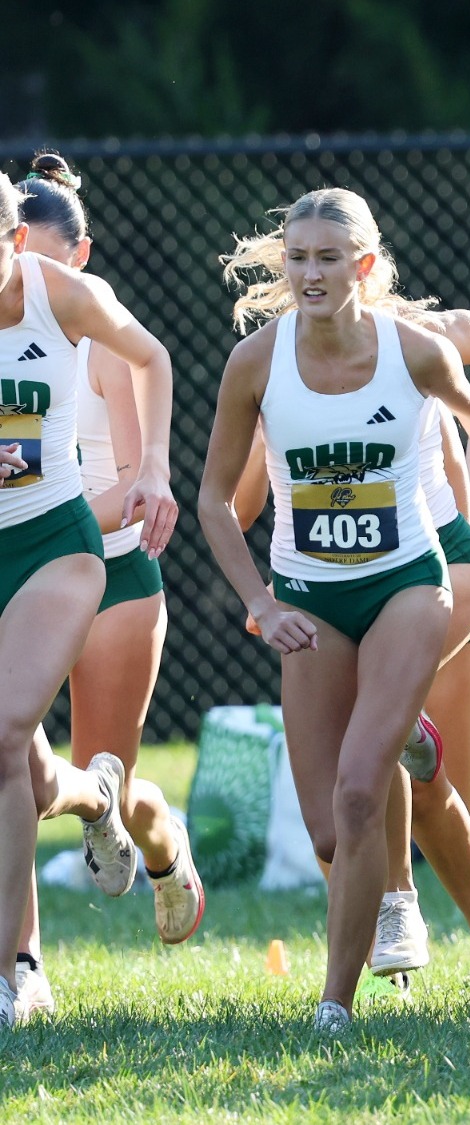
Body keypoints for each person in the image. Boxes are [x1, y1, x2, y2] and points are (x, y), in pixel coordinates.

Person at [199, 188, 470, 1035]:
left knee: (359, 793)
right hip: (312, 598)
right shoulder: (257, 364)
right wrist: (260, 600)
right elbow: (216, 502)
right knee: (334, 831)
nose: (309, 274)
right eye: (297, 258)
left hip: (415, 580)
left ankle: (334, 1006)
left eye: (327, 258)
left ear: (366, 266)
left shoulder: (415, 347)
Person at [10, 154, 203, 1022]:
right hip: (21, 552)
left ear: (73, 257)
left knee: (100, 781)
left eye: (46, 260)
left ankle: (160, 846)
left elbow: (130, 478)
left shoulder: (87, 318)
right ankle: (26, 965)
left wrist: (146, 476)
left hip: (107, 565)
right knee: (13, 760)